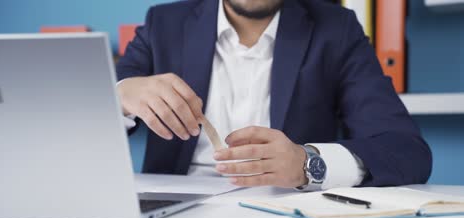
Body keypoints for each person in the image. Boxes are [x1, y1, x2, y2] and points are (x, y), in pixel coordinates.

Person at [116, 0, 432, 191]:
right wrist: (120, 95)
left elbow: (406, 152)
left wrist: (308, 163)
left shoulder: (337, 29)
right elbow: (80, 122)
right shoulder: (163, 24)